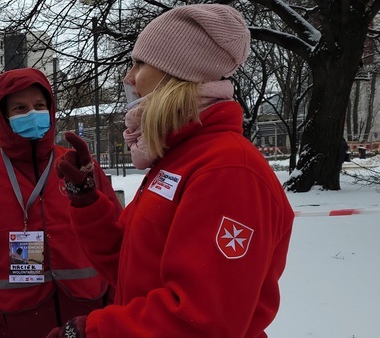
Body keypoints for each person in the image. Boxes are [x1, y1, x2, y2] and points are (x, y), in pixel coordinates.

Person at [49, 4, 294, 337]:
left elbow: (201, 319)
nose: (129, 77)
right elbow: (129, 265)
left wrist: (92, 332)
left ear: (176, 71)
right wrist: (88, 201)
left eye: (140, 63)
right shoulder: (178, 159)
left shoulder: (228, 170)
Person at [0, 68, 123, 338]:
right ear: (4, 116)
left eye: (39, 105)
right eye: (20, 107)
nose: (32, 113)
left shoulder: (78, 166)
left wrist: (117, 313)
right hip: (16, 323)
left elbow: (119, 243)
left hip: (88, 320)